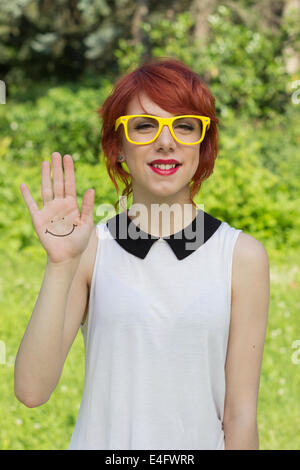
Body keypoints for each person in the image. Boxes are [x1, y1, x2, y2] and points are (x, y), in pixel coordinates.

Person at [15, 58, 270, 450]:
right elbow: (32, 390)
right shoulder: (91, 249)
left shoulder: (240, 257)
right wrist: (61, 263)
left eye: (184, 126)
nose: (165, 141)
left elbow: (240, 417)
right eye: (145, 126)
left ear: (203, 146)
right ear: (117, 147)